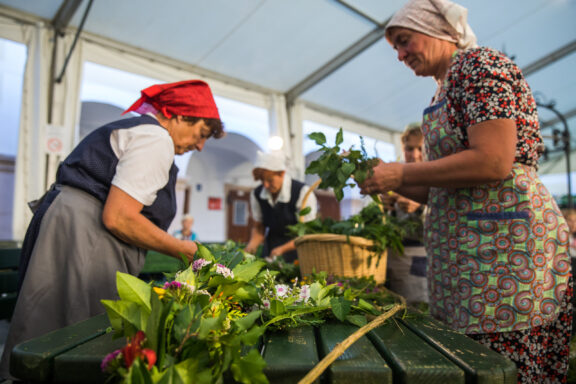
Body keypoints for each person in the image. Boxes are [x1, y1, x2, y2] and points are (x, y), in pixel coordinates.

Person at [358, 0, 572, 381]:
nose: (401, 55)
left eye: (405, 41)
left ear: (437, 31)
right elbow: (448, 189)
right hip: (470, 265)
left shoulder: (480, 66)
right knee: (475, 367)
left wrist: (402, 171)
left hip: (507, 258)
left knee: (508, 369)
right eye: (395, 48)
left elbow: (493, 161)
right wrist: (395, 183)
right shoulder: (441, 91)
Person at [0, 80, 224, 378]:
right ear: (180, 116)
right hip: (87, 237)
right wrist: (184, 249)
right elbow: (119, 216)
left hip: (74, 226)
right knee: (76, 335)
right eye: (201, 134)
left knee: (48, 325)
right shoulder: (156, 139)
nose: (199, 145)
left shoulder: (137, 130)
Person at [244, 150, 317, 263]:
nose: (266, 185)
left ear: (282, 173)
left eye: (270, 180)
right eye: (262, 180)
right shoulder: (257, 194)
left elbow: (306, 233)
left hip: (298, 253)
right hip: (271, 250)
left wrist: (282, 249)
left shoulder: (302, 192)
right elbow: (259, 227)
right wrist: (250, 248)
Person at [383, 123, 428, 305]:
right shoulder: (396, 176)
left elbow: (445, 214)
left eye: (420, 149)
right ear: (403, 148)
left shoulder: (434, 176)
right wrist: (385, 205)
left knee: (418, 307)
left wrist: (419, 206)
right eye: (409, 149)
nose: (415, 155)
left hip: (420, 256)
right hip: (393, 256)